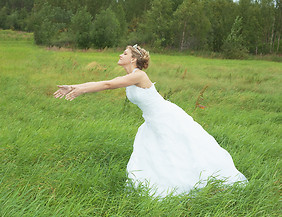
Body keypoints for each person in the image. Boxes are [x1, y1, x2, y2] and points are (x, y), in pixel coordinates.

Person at [54, 44, 247, 198]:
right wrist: (72, 87)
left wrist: (80, 91)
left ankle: (198, 184)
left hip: (166, 118)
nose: (120, 55)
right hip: (153, 121)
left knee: (183, 151)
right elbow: (104, 82)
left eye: (124, 53)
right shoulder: (130, 75)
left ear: (133, 59)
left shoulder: (139, 75)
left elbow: (108, 85)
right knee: (154, 154)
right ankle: (158, 184)